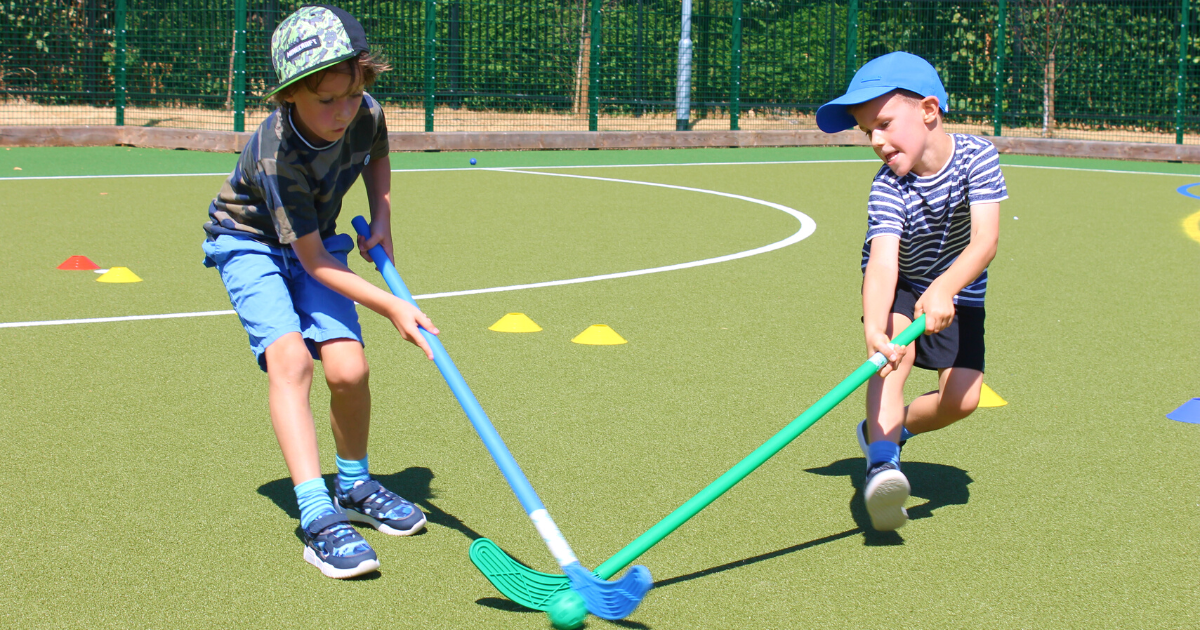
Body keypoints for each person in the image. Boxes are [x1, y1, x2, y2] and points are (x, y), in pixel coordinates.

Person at [202, 5, 439, 578]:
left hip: (317, 239)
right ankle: (316, 514)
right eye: (325, 101)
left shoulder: (365, 111)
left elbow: (378, 154)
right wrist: (391, 306)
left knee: (349, 372)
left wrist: (382, 216)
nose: (342, 113)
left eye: (351, 96)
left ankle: (354, 484)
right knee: (291, 363)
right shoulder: (275, 153)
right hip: (252, 243)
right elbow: (308, 261)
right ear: (288, 97)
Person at [816, 52, 1006, 531]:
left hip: (959, 291)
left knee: (961, 399)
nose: (877, 142)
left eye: (883, 124)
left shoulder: (977, 158)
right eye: (867, 133)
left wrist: (945, 288)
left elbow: (985, 241)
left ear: (928, 111)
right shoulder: (887, 188)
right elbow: (882, 264)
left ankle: (891, 431)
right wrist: (876, 332)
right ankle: (881, 461)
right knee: (892, 359)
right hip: (902, 282)